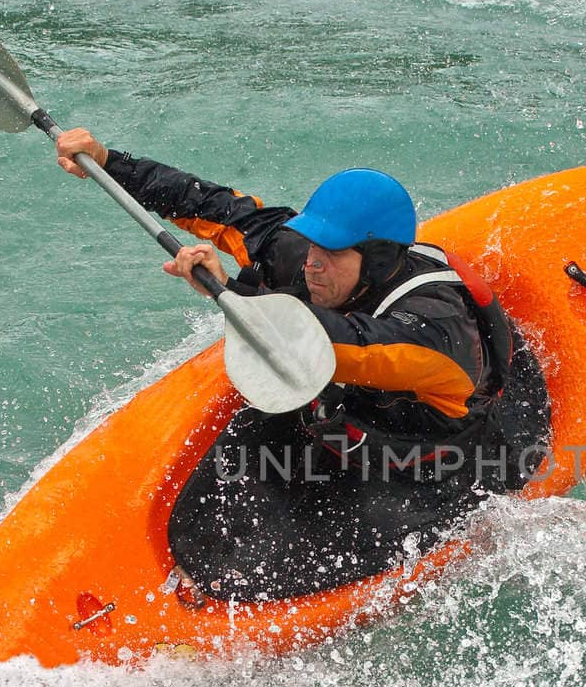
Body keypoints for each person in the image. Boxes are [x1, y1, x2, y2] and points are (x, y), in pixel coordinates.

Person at [55, 130, 551, 603]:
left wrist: (230, 289)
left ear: (376, 261)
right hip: (349, 417)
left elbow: (332, 343)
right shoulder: (321, 260)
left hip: (429, 471)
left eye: (330, 253)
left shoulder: (433, 334)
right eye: (312, 246)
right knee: (231, 481)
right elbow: (216, 207)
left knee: (272, 566)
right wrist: (108, 162)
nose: (312, 264)